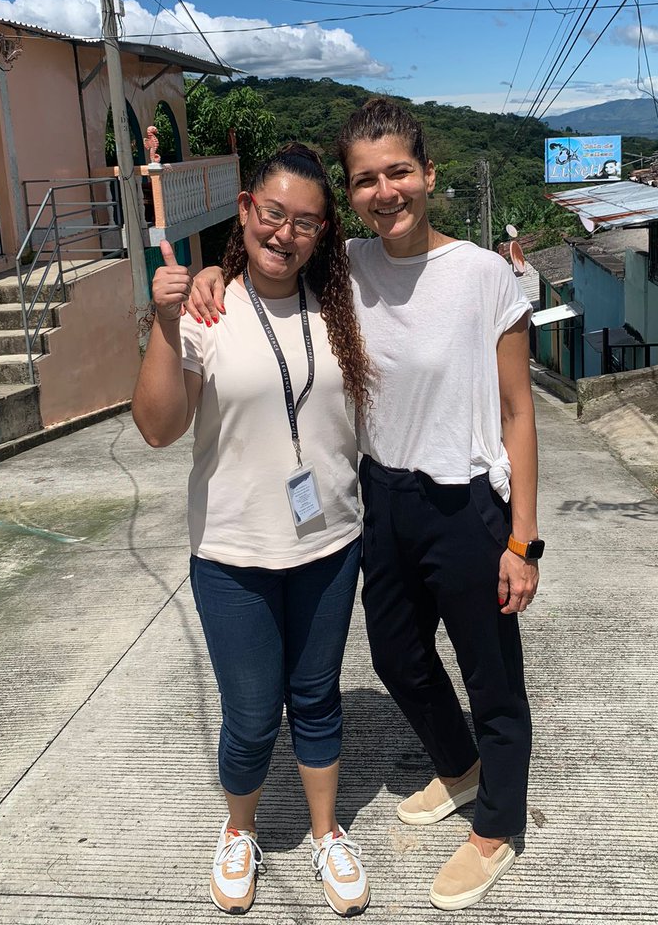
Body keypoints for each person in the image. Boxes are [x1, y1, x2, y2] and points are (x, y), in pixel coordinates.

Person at [189, 99, 541, 913]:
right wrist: (208, 275)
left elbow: (519, 411)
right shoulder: (343, 264)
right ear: (349, 197)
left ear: (429, 174)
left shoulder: (484, 275)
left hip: (465, 503)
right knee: (396, 658)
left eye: (399, 172)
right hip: (378, 496)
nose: (386, 192)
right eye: (366, 180)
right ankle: (461, 769)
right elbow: (265, 258)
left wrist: (523, 539)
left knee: (492, 677)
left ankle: (497, 827)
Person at [132, 143, 372, 918]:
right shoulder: (208, 311)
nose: (285, 233)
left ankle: (327, 833)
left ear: (323, 233)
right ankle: (239, 831)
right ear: (245, 211)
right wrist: (166, 321)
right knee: (250, 713)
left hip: (330, 543)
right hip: (232, 552)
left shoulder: (343, 305)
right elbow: (158, 427)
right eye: (273, 213)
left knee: (318, 699)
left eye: (306, 222)